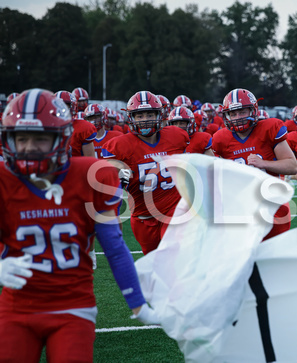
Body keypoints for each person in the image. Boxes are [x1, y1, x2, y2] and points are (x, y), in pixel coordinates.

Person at [0, 89, 158, 362]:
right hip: (16, 308)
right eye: (21, 138)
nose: (28, 147)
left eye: (40, 139)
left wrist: (137, 304)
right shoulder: (4, 180)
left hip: (72, 306)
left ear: (61, 139)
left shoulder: (90, 176)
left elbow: (115, 248)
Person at [101, 91, 190, 254]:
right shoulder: (119, 146)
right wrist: (116, 176)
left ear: (159, 115)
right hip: (143, 216)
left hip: (173, 208)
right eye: (140, 116)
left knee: (172, 253)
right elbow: (106, 184)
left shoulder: (176, 136)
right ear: (131, 118)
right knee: (154, 262)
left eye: (150, 114)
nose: (146, 119)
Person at [212, 88, 297, 240]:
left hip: (272, 204)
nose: (238, 117)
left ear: (253, 111)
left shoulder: (269, 129)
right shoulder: (221, 139)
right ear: (226, 116)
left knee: (272, 257)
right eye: (233, 113)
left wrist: (264, 163)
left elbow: (292, 166)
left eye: (242, 112)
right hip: (242, 208)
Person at [55, 91, 97, 158]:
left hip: (76, 167)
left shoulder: (83, 128)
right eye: (57, 106)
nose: (60, 110)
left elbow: (90, 160)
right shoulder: (45, 126)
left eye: (64, 106)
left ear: (72, 107)